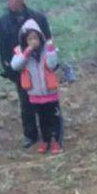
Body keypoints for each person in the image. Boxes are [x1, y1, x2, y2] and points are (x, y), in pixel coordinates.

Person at [0, 0, 59, 149]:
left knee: (49, 102)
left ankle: (54, 134)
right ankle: (30, 135)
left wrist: (51, 63)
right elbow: (2, 49)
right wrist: (9, 70)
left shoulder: (38, 18)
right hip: (20, 67)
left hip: (42, 66)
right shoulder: (1, 22)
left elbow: (48, 41)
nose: (9, 0)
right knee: (26, 103)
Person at [9, 21, 62, 154]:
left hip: (50, 92)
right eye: (30, 38)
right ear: (25, 40)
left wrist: (50, 51)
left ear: (40, 37)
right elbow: (15, 66)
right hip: (35, 94)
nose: (33, 41)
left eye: (35, 38)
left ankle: (57, 141)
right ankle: (45, 140)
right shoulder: (21, 53)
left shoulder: (48, 50)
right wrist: (26, 52)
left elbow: (52, 65)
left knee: (54, 118)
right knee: (42, 119)